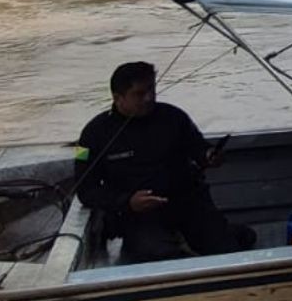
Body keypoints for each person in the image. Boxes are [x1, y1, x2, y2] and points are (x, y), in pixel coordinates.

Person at [74, 61, 254, 262]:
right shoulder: (92, 134)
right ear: (118, 98)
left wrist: (210, 155)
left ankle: (227, 234)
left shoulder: (174, 117)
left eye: (152, 89)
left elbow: (199, 147)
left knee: (227, 250)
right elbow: (85, 189)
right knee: (158, 256)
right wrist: (127, 202)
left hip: (188, 203)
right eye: (140, 94)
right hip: (138, 215)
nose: (149, 98)